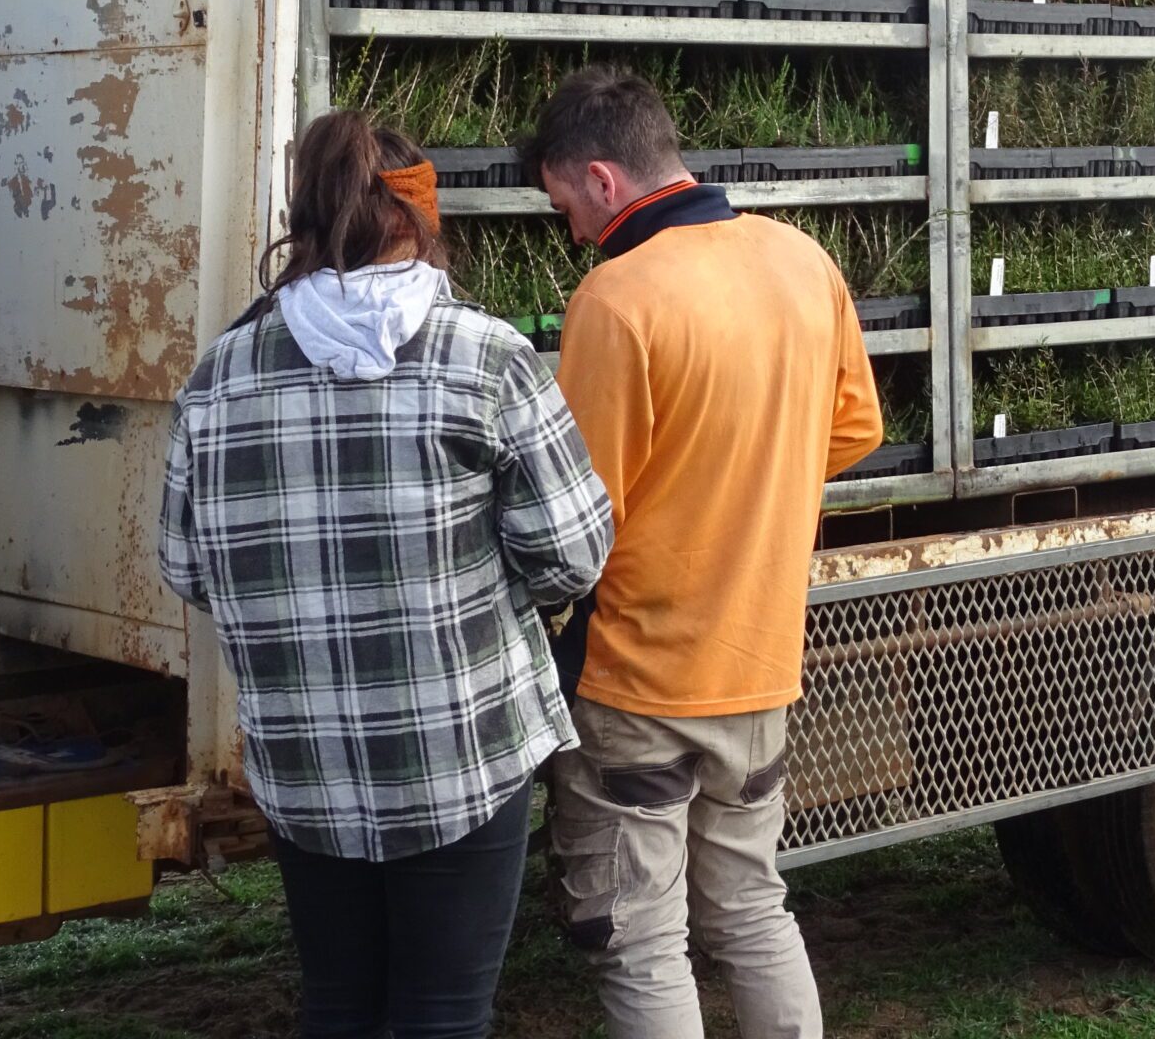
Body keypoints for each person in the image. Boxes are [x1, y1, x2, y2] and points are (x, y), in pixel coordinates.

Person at [158, 111, 613, 1039]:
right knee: (443, 1015)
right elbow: (573, 552)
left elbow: (186, 565)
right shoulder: (486, 356)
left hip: (305, 765)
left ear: (308, 220)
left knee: (339, 1007)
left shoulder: (220, 374)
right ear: (421, 218)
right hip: (462, 757)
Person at [525, 67, 884, 1039]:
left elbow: (578, 514)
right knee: (751, 906)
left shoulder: (615, 298)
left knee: (638, 935)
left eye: (564, 205)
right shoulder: (800, 260)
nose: (570, 230)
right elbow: (853, 430)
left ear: (600, 178)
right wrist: (746, 485)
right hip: (760, 662)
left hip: (639, 679)